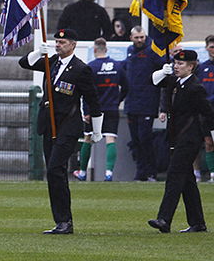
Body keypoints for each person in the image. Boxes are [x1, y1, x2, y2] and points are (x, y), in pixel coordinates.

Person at [19, 29, 103, 234]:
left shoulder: (80, 69)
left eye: (62, 42)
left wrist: (96, 130)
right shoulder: (51, 62)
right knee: (55, 173)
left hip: (68, 126)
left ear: (73, 45)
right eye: (57, 42)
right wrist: (38, 52)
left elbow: (92, 100)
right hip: (49, 125)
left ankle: (65, 221)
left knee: (55, 169)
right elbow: (24, 63)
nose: (58, 45)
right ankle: (62, 221)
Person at [148, 50, 214, 233]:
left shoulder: (195, 87)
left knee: (174, 175)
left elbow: (208, 113)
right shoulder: (174, 82)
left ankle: (164, 219)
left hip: (190, 138)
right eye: (175, 63)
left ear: (191, 66)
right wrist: (164, 71)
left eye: (181, 64)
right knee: (187, 181)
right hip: (175, 137)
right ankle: (198, 223)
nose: (176, 66)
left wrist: (212, 136)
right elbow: (153, 81)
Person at [73, 38, 128, 181]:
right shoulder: (117, 66)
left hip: (94, 110)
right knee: (110, 139)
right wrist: (118, 100)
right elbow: (127, 87)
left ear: (95, 50)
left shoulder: (91, 67)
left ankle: (83, 172)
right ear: (106, 50)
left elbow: (86, 91)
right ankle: (109, 173)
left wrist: (86, 111)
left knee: (88, 138)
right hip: (111, 108)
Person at [123, 26, 164, 181]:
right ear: (131, 38)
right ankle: (140, 172)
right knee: (135, 140)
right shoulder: (129, 51)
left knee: (145, 138)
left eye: (142, 37)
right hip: (131, 103)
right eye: (136, 37)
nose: (140, 40)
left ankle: (151, 171)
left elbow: (163, 68)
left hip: (147, 102)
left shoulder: (153, 50)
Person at [196, 35, 214, 182]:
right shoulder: (202, 67)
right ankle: (211, 174)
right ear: (206, 48)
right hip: (206, 110)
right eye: (211, 46)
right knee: (208, 141)